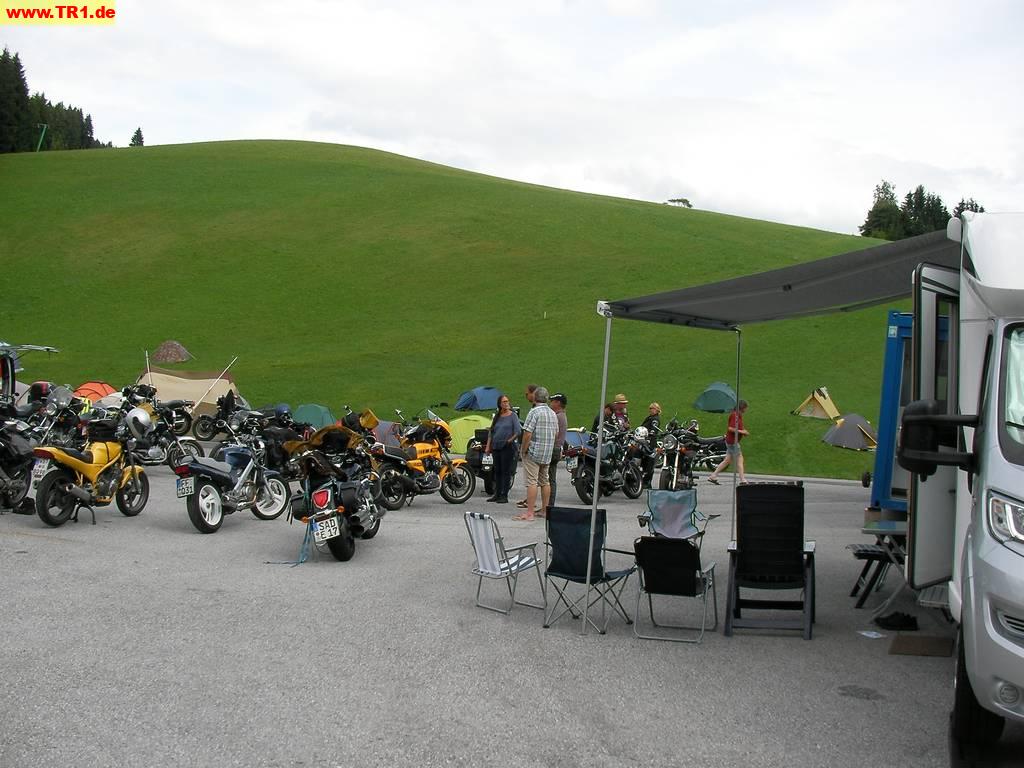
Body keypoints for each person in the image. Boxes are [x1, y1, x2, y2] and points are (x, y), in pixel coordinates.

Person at [513, 386, 557, 522]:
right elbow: (556, 433)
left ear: (535, 397)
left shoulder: (534, 412)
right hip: (547, 452)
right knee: (545, 481)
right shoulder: (552, 413)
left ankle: (530, 513)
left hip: (534, 451)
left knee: (531, 481)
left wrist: (523, 449)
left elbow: (527, 433)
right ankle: (545, 510)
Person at [483, 394, 521, 503]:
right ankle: (497, 493)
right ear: (500, 404)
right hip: (496, 446)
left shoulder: (513, 416)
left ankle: (504, 495)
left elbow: (518, 431)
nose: (506, 403)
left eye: (507, 401)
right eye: (504, 402)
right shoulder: (497, 416)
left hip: (507, 446)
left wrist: (509, 440)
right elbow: (491, 432)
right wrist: (488, 446)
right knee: (497, 470)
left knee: (506, 471)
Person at [707, 399, 749, 485]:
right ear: (742, 407)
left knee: (727, 460)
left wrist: (743, 431)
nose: (746, 409)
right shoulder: (735, 415)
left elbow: (738, 427)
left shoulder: (738, 415)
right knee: (739, 459)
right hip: (733, 442)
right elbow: (730, 428)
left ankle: (713, 476)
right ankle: (742, 480)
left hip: (731, 441)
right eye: (746, 408)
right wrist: (742, 432)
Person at [547, 393, 568, 514]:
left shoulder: (557, 417)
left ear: (558, 403)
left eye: (553, 401)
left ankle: (549, 505)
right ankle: (548, 504)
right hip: (557, 449)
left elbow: (554, 434)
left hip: (553, 449)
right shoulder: (561, 416)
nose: (551, 403)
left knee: (549, 479)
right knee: (550, 478)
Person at [640, 402, 662, 488]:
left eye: (652, 408)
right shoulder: (650, 418)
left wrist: (650, 433)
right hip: (645, 441)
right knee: (646, 462)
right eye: (650, 408)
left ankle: (647, 482)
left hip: (650, 443)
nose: (651, 410)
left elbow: (653, 430)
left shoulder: (655, 419)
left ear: (657, 410)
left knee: (649, 462)